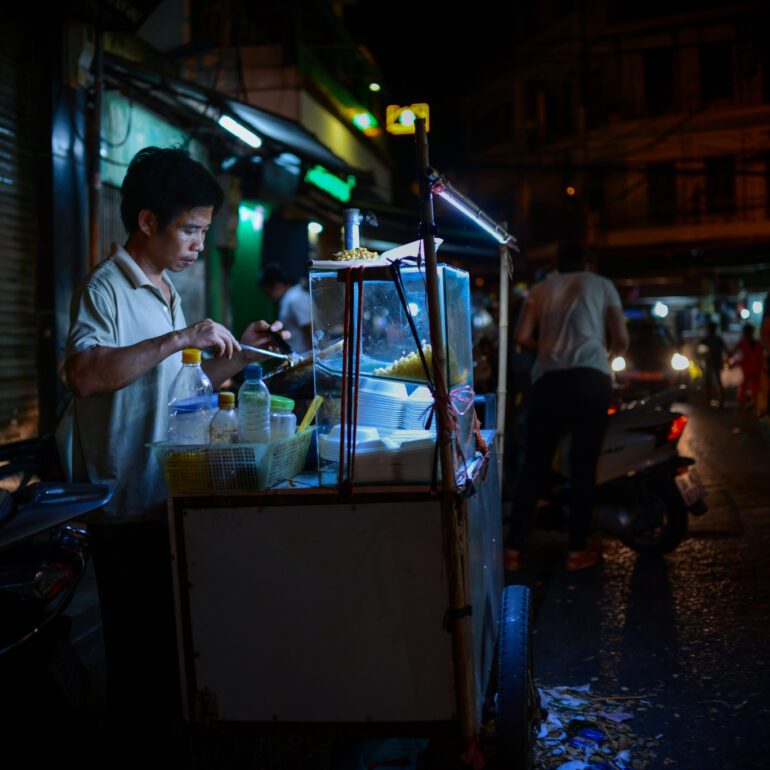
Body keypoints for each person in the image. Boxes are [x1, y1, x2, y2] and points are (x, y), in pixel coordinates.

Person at [65, 146, 287, 760]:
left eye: (202, 231)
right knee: (135, 666)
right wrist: (181, 337)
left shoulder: (167, 292)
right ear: (146, 222)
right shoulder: (107, 288)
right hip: (125, 502)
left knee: (172, 652)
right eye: (189, 229)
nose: (197, 244)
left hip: (170, 494)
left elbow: (182, 388)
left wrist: (241, 355)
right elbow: (83, 373)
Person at [503, 241, 629, 571]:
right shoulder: (602, 285)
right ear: (588, 263)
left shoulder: (542, 288)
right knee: (584, 465)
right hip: (591, 379)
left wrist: (548, 345)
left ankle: (513, 551)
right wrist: (607, 355)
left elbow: (520, 337)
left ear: (558, 263)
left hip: (548, 381)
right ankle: (575, 552)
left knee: (534, 465)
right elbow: (622, 338)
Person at [259, 262, 313, 352]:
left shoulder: (295, 298)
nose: (270, 297)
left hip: (304, 357)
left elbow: (310, 328)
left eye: (268, 293)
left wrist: (312, 359)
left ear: (278, 285)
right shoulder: (288, 299)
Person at [730, 323, 762, 416]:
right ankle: (755, 411)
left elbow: (732, 354)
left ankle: (740, 411)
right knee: (755, 391)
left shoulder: (742, 343)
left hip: (745, 370)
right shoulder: (758, 343)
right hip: (756, 370)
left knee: (742, 390)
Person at [700, 321, 727, 408]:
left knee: (709, 382)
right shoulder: (718, 339)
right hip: (716, 362)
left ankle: (708, 400)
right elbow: (725, 350)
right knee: (718, 381)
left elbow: (698, 350)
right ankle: (720, 400)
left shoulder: (706, 340)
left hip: (709, 363)